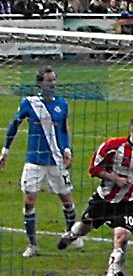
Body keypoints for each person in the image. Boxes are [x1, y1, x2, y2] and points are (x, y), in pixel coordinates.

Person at [57, 115, 133, 276]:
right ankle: (72, 234)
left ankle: (112, 274)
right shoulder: (112, 146)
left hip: (128, 202)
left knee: (122, 236)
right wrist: (115, 179)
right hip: (103, 200)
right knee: (84, 229)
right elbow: (93, 169)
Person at [0, 67, 82, 257]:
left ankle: (72, 235)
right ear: (39, 83)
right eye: (48, 80)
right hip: (34, 161)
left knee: (66, 198)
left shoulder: (62, 104)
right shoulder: (29, 103)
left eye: (54, 80)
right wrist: (5, 151)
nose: (52, 84)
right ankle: (32, 245)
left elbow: (63, 130)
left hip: (57, 160)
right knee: (29, 202)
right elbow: (14, 125)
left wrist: (67, 149)